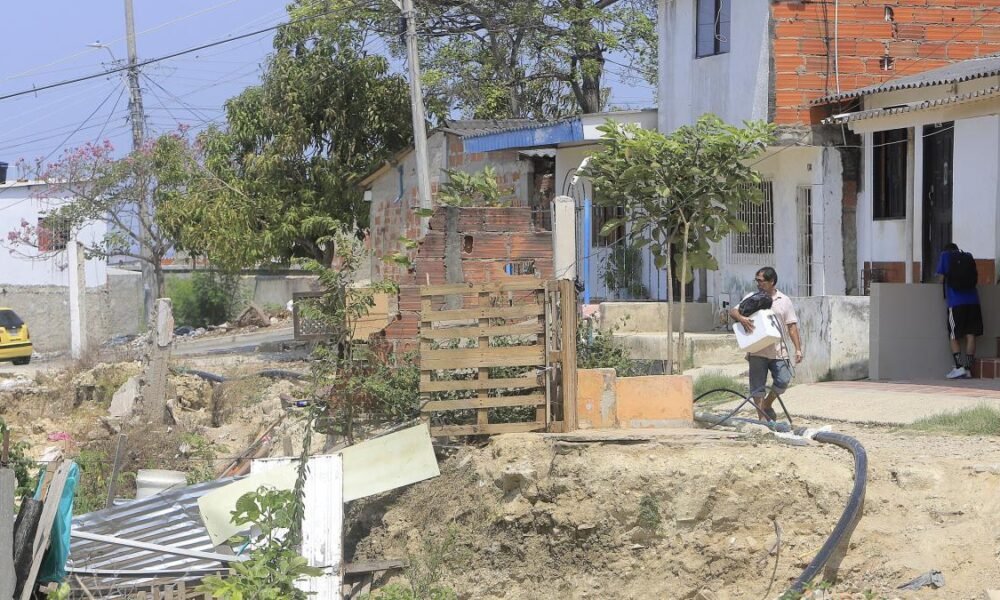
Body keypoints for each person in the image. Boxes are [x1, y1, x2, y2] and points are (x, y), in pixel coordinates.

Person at [728, 267, 803, 421]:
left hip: (778, 351)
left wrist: (798, 349)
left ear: (772, 282)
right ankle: (762, 420)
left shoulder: (784, 301)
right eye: (756, 280)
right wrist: (742, 319)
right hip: (757, 350)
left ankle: (767, 405)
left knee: (783, 380)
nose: (758, 284)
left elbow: (792, 326)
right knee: (757, 387)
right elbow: (733, 311)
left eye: (761, 281)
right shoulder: (752, 297)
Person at [937, 243, 983, 379]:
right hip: (973, 301)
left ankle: (958, 367)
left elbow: (940, 279)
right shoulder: (968, 256)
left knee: (953, 335)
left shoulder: (945, 256)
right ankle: (968, 369)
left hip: (956, 302)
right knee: (970, 334)